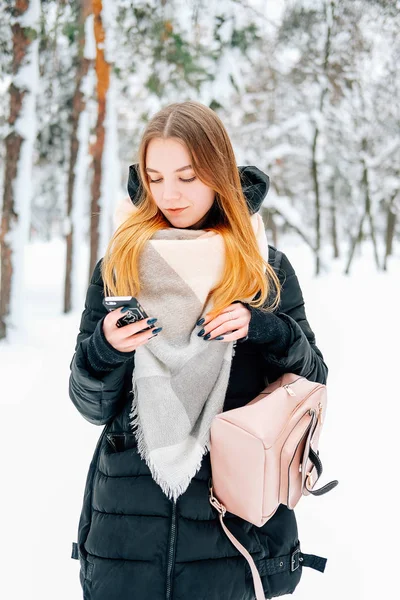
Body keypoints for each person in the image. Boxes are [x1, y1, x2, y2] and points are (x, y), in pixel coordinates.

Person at [69, 101, 328, 600]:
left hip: (232, 523)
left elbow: (314, 382)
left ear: (218, 172)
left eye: (188, 176)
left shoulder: (264, 269)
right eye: (157, 177)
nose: (171, 194)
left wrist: (267, 330)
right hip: (127, 527)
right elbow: (91, 405)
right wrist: (105, 349)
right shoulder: (119, 265)